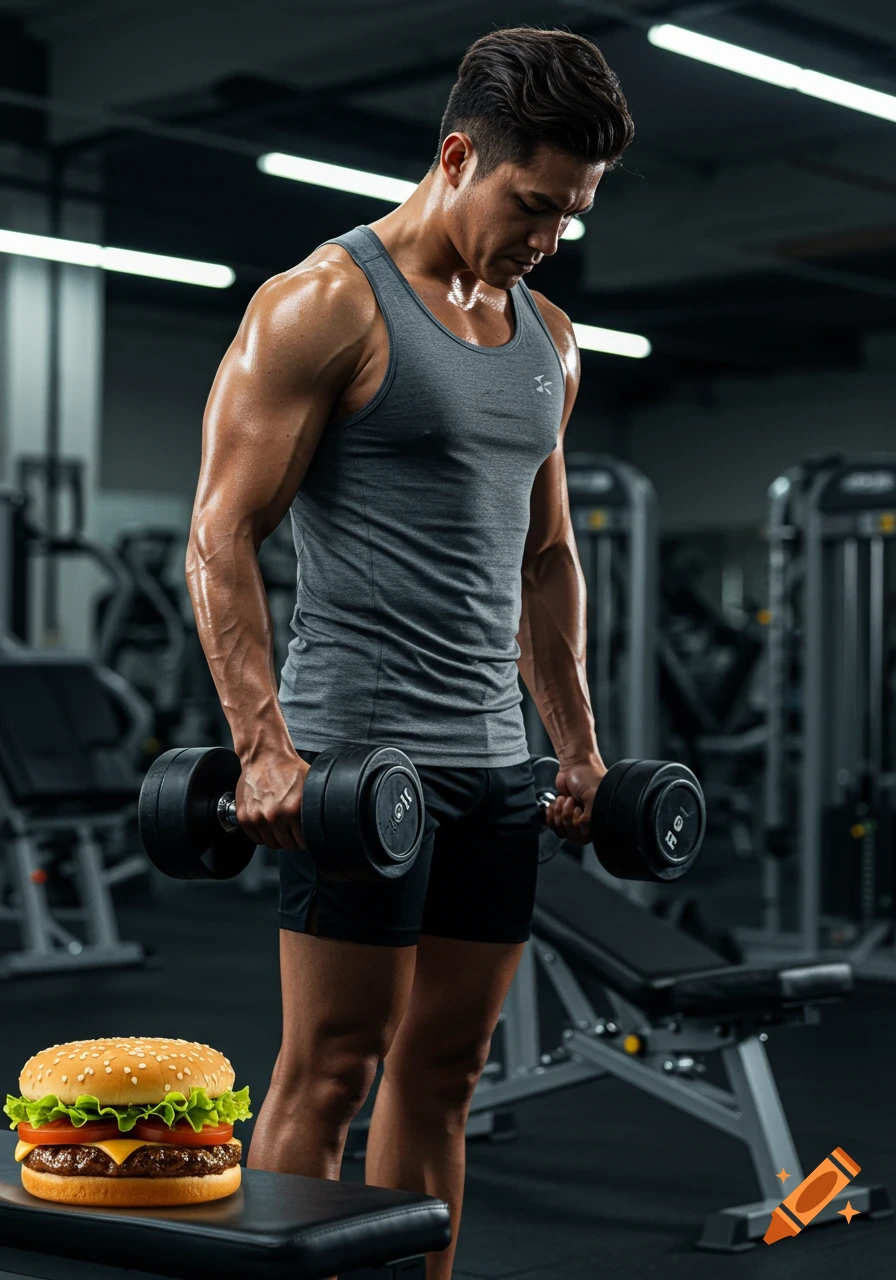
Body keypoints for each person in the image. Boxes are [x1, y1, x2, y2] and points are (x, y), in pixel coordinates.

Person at [186, 24, 633, 1279]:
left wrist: (578, 743)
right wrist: (263, 749)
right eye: (533, 204)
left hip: (495, 766)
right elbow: (221, 533)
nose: (548, 237)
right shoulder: (323, 303)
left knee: (446, 1073)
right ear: (456, 155)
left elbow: (545, 558)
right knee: (331, 1066)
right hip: (356, 763)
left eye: (571, 215)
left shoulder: (549, 337)